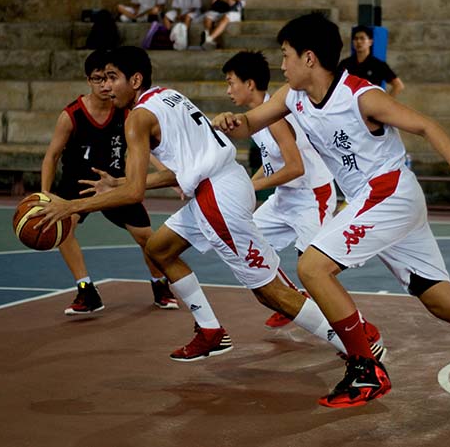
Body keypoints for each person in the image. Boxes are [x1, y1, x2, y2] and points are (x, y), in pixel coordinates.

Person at [212, 12, 450, 415]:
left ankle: (365, 368)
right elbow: (248, 122)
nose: (283, 64)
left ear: (309, 58)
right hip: (375, 199)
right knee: (441, 300)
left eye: (286, 55)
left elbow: (428, 126)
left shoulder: (361, 96)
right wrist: (228, 122)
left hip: (390, 191)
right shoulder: (293, 97)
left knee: (312, 267)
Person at [33, 46, 385, 364]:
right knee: (159, 249)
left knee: (270, 292)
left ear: (135, 79)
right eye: (103, 79)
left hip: (218, 198)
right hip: (218, 185)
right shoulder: (168, 97)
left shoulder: (137, 118)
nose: (107, 86)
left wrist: (69, 207)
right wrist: (122, 182)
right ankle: (211, 331)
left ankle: (353, 343)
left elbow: (134, 194)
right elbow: (178, 170)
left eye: (113, 78)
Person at [41, 49, 178, 315]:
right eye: (97, 79)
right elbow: (52, 156)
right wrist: (45, 193)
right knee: (62, 228)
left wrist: (167, 175)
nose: (105, 85)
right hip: (77, 184)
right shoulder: (71, 114)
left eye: (109, 78)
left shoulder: (127, 113)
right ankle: (86, 291)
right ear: (88, 81)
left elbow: (144, 150)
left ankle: (160, 285)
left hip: (114, 183)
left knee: (146, 239)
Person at [222, 50, 337, 330]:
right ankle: (293, 301)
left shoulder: (274, 115)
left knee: (314, 271)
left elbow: (295, 167)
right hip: (285, 197)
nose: (228, 91)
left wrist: (251, 186)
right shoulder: (259, 116)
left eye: (230, 82)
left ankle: (355, 329)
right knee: (249, 243)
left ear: (250, 84)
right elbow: (273, 164)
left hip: (312, 197)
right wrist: (250, 185)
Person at [337, 26, 405, 98]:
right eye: (356, 39)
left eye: (362, 38)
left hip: (370, 104)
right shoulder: (346, 63)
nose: (359, 42)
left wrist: (385, 102)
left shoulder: (378, 65)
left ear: (370, 42)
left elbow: (398, 85)